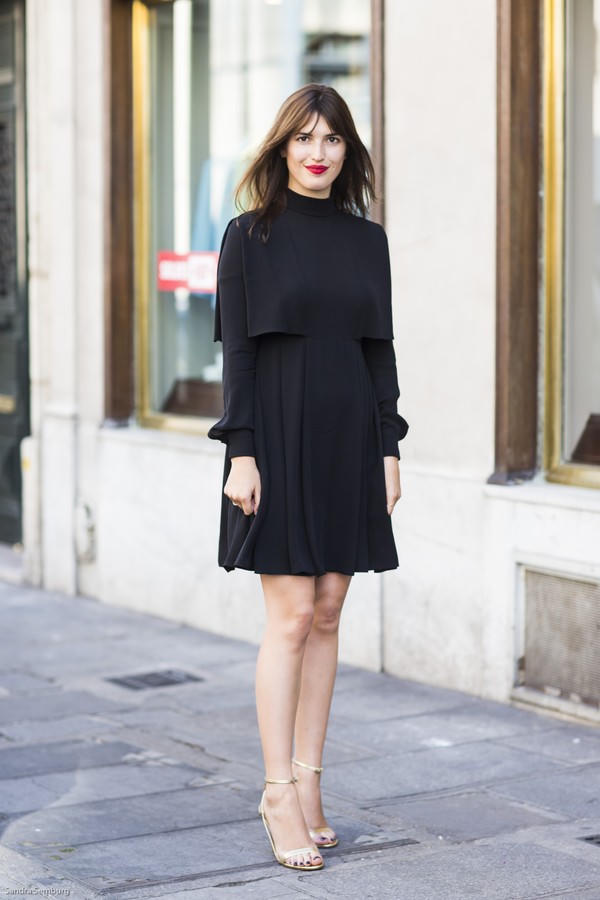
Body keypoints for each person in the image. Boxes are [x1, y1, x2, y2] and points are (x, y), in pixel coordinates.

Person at [207, 83, 409, 872]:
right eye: (303, 138)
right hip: (278, 435)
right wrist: (241, 452)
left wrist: (389, 446)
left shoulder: (367, 241)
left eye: (331, 139)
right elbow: (239, 355)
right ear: (282, 147)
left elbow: (378, 349)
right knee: (290, 615)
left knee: (328, 610)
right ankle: (275, 791)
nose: (317, 153)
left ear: (347, 151)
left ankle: (311, 778)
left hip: (349, 435)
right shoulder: (247, 236)